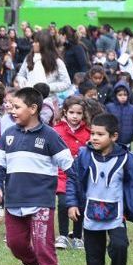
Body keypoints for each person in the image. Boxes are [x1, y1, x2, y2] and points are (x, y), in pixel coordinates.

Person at [0, 87, 74, 265]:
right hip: (14, 200)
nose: (12, 110)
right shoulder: (8, 135)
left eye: (17, 107)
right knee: (15, 243)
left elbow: (70, 166)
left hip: (41, 200)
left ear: (34, 108)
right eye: (10, 106)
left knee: (42, 242)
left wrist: (78, 194)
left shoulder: (50, 136)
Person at [66, 113, 133, 265]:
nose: (94, 138)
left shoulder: (127, 158)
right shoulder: (84, 155)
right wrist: (72, 204)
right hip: (90, 214)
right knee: (94, 255)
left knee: (119, 247)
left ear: (114, 136)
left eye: (100, 134)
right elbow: (73, 179)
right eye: (92, 133)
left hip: (117, 215)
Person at [52, 96, 90, 251]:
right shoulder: (56, 131)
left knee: (80, 204)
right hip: (61, 173)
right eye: (72, 112)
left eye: (79, 113)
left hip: (80, 175)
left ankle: (77, 236)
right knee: (63, 203)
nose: (75, 116)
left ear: (83, 114)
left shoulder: (88, 132)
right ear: (65, 112)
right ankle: (62, 235)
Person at [15, 30, 71, 99]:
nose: (33, 44)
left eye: (36, 42)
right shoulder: (29, 58)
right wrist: (24, 83)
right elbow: (20, 75)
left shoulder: (57, 62)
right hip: (29, 99)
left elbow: (66, 83)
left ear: (43, 44)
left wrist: (47, 87)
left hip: (48, 100)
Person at [105, 83, 133, 150]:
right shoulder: (109, 107)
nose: (123, 97)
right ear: (115, 95)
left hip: (127, 141)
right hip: (112, 142)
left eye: (125, 95)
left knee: (126, 158)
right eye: (120, 95)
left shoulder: (132, 109)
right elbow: (105, 121)